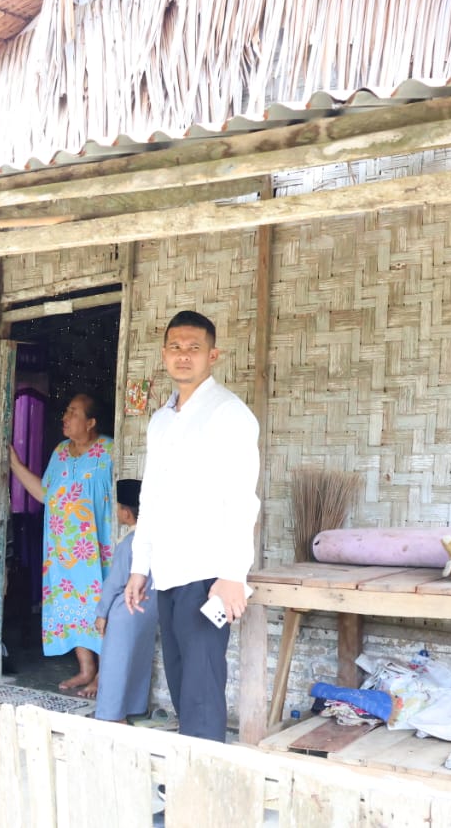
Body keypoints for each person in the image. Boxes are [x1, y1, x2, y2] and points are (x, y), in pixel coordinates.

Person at [125, 310, 260, 742]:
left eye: (194, 348)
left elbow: (243, 499)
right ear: (164, 353)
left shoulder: (229, 414)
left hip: (207, 574)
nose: (184, 356)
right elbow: (150, 499)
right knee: (182, 682)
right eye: (176, 348)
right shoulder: (161, 420)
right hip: (168, 571)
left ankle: (203, 798)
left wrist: (233, 575)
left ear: (213, 355)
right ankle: (187, 781)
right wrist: (139, 567)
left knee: (202, 687)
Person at [8, 394, 114, 693]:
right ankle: (86, 669)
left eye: (73, 412)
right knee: (70, 604)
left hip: (97, 547)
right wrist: (15, 464)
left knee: (101, 605)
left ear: (91, 422)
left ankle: (104, 672)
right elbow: (45, 494)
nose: (65, 417)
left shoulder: (109, 450)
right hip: (63, 549)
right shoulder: (61, 452)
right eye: (66, 411)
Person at [91, 479, 156, 722]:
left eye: (118, 507)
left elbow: (115, 583)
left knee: (114, 667)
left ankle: (111, 715)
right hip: (147, 612)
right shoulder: (157, 542)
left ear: (126, 513)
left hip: (123, 612)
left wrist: (101, 613)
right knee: (137, 663)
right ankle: (134, 708)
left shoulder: (130, 543)